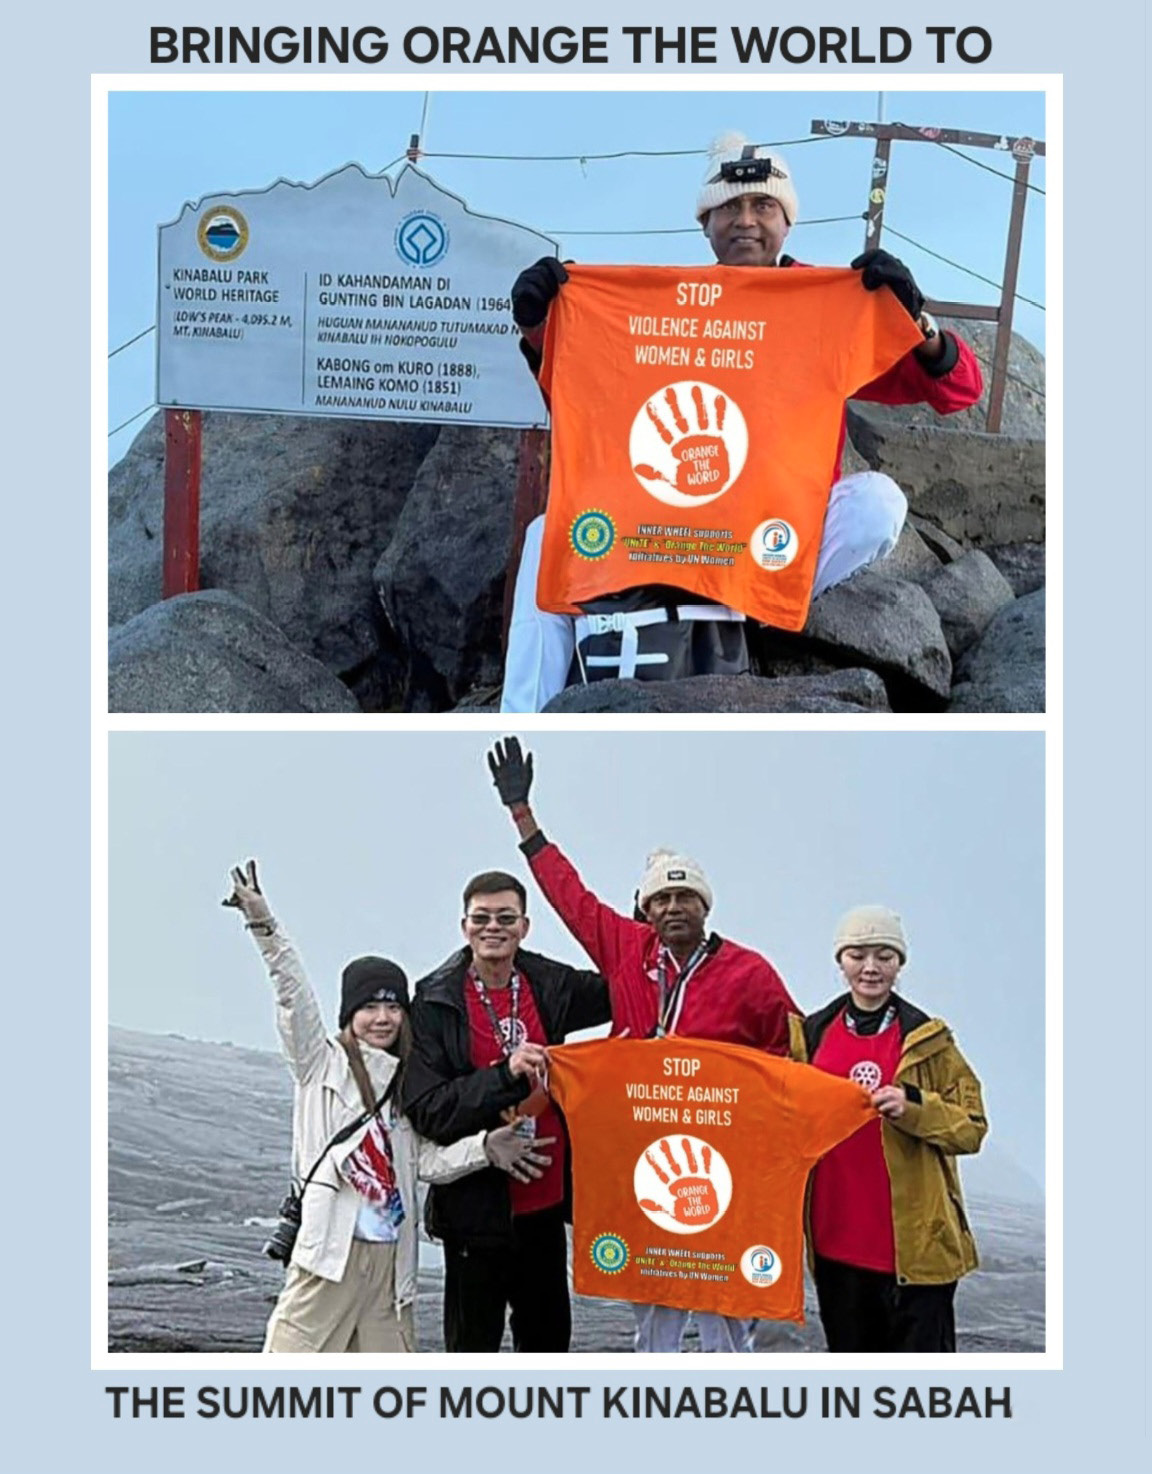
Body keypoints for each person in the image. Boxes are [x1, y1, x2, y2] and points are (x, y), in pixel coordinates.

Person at [500, 132, 984, 712]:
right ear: (705, 224)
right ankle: (524, 717)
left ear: (788, 220)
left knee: (878, 504)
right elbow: (588, 401)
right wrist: (537, 326)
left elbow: (959, 389)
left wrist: (917, 318)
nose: (745, 220)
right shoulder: (666, 307)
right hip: (666, 521)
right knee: (545, 534)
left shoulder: (823, 309)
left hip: (771, 533)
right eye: (728, 207)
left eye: (763, 205)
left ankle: (757, 604)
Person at [486, 736, 799, 1352]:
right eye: (662, 898)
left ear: (705, 906)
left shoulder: (750, 973)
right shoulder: (628, 951)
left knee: (721, 1296)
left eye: (686, 897)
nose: (674, 907)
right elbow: (568, 895)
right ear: (646, 909)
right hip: (642, 1154)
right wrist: (523, 816)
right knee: (651, 1287)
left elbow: (791, 1055)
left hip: (719, 1158)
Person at [223, 859, 553, 1353]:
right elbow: (293, 996)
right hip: (329, 1257)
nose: (382, 1018)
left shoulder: (404, 1082)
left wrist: (487, 1147)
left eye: (393, 1006)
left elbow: (424, 1161)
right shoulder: (319, 1063)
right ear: (349, 1013)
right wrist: (264, 926)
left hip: (389, 1265)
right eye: (369, 1007)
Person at [400, 869, 611, 1353]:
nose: (493, 927)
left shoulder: (551, 983)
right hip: (476, 1213)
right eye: (482, 918)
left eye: (505, 918)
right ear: (464, 926)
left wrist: (644, 924)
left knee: (547, 1346)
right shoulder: (434, 1000)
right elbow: (430, 1110)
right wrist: (504, 1075)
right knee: (473, 1350)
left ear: (524, 926)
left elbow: (624, 980)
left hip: (546, 1205)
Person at [791, 904, 988, 1353]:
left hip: (916, 1253)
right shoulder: (810, 1035)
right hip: (835, 1245)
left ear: (900, 964)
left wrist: (913, 1106)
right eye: (857, 954)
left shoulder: (930, 1040)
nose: (871, 968)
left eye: (884, 955)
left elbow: (972, 1128)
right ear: (840, 961)